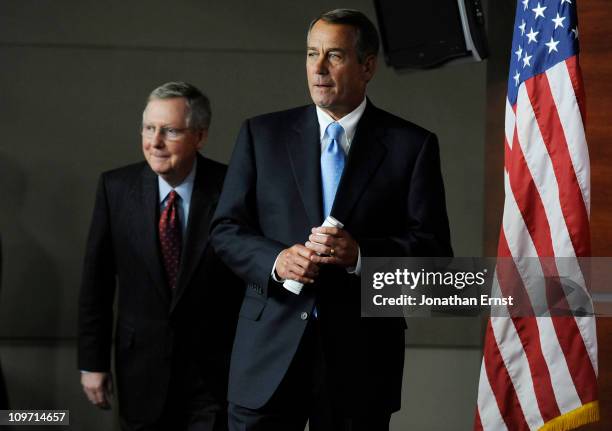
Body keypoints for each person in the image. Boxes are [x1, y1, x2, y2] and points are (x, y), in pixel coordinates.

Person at [210, 8, 453, 431]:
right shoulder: (261, 135)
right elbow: (226, 230)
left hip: (361, 362)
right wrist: (276, 260)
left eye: (335, 56)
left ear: (368, 66)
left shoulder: (412, 146)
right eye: (311, 54)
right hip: (267, 353)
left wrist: (361, 255)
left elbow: (435, 259)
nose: (318, 68)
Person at [78, 82, 242, 431]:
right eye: (149, 128)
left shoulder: (232, 187)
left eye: (169, 131)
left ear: (199, 136)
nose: (154, 142)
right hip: (140, 372)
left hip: (213, 376)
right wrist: (92, 363)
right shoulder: (115, 188)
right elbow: (97, 283)